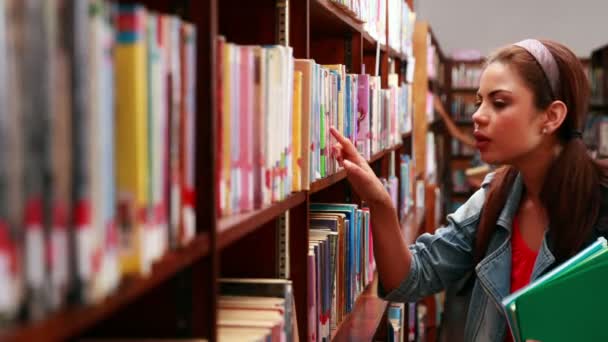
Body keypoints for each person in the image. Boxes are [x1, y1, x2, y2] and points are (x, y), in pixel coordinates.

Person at [330, 39, 608, 341]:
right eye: (479, 102)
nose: (477, 115)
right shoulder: (496, 198)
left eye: (499, 103)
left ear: (551, 116)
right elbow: (410, 279)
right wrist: (379, 202)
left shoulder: (600, 205)